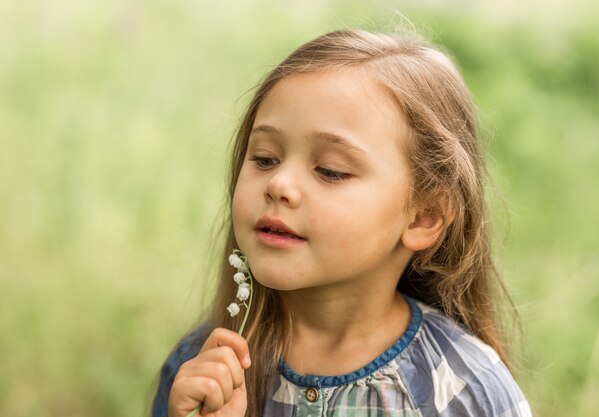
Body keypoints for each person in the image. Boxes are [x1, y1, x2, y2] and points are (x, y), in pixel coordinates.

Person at [151, 29, 532, 417]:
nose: (279, 184)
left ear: (424, 217)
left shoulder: (464, 389)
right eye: (265, 158)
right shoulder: (206, 371)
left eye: (330, 171)